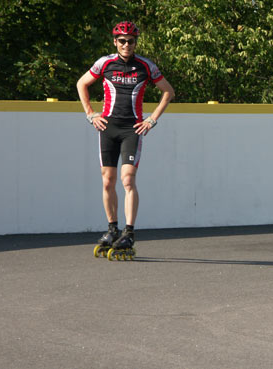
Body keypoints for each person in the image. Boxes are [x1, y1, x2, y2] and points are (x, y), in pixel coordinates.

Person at [77, 21, 174, 259]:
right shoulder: (105, 63)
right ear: (115, 42)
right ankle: (112, 229)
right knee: (108, 180)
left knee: (127, 179)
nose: (126, 44)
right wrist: (90, 114)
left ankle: (129, 232)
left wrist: (152, 119)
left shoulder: (145, 66)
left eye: (130, 41)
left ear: (135, 43)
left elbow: (168, 91)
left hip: (132, 129)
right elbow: (82, 83)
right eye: (122, 40)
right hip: (108, 127)